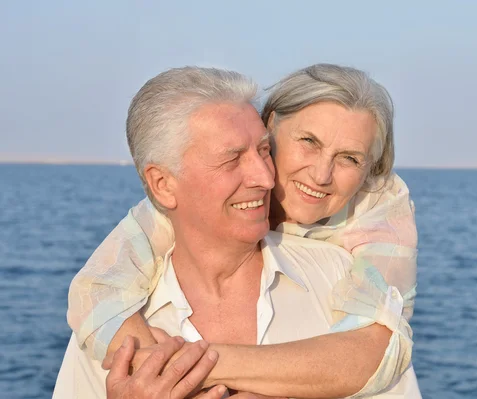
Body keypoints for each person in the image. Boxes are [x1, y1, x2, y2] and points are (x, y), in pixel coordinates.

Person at [60, 65, 420, 398]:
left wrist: (189, 368)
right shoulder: (114, 325)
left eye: (350, 158)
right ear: (273, 125)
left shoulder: (369, 228)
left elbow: (379, 350)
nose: (321, 175)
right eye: (308, 141)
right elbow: (94, 288)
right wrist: (146, 366)